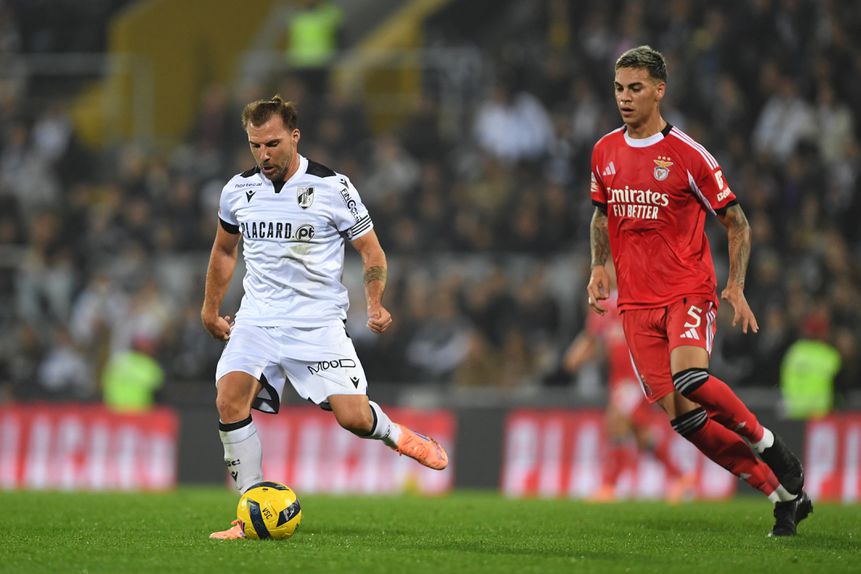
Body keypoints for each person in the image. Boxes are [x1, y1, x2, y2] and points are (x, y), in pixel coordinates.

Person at [586, 46, 811, 537]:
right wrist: (598, 267)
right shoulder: (604, 151)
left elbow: (738, 221)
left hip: (687, 289)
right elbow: (602, 213)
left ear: (659, 90)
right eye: (619, 88)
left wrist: (735, 285)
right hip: (636, 304)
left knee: (691, 378)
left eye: (636, 88)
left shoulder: (688, 155)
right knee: (684, 421)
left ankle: (770, 445)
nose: (625, 98)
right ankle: (782, 493)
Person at [202, 96, 448, 540]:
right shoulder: (237, 190)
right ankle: (249, 512)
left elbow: (371, 250)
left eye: (273, 143)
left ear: (294, 136)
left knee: (353, 418)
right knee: (228, 400)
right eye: (255, 145)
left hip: (317, 323)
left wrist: (374, 303)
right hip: (256, 319)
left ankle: (399, 436)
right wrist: (209, 308)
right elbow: (224, 250)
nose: (264, 155)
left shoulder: (334, 187)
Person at [564, 264, 694, 503]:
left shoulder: (638, 300)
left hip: (637, 378)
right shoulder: (602, 306)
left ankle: (609, 486)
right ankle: (681, 477)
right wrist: (577, 355)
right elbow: (594, 340)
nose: (610, 273)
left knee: (615, 421)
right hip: (618, 380)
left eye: (615, 268)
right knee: (643, 437)